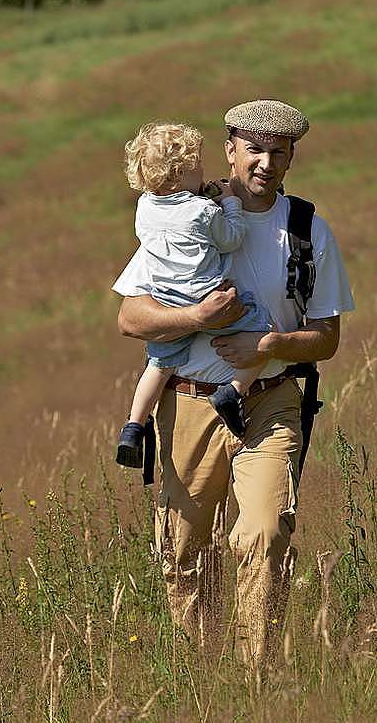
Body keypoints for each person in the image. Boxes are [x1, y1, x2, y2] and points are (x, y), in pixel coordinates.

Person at [114, 99, 355, 666]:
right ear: (231, 151)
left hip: (270, 402)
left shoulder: (307, 231)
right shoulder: (183, 212)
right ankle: (200, 674)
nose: (266, 163)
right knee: (180, 549)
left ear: (292, 156)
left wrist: (268, 345)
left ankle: (255, 674)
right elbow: (131, 318)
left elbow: (327, 338)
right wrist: (199, 320)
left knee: (264, 534)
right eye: (255, 150)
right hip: (190, 405)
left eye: (279, 152)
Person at [113, 120, 273, 466]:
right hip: (210, 298)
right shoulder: (203, 211)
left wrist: (196, 193)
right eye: (196, 165)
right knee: (263, 334)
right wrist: (229, 202)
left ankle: (133, 426)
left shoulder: (144, 208)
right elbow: (231, 237)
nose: (202, 168)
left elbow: (174, 218)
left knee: (159, 366)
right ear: (177, 175)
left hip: (167, 303)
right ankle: (233, 392)